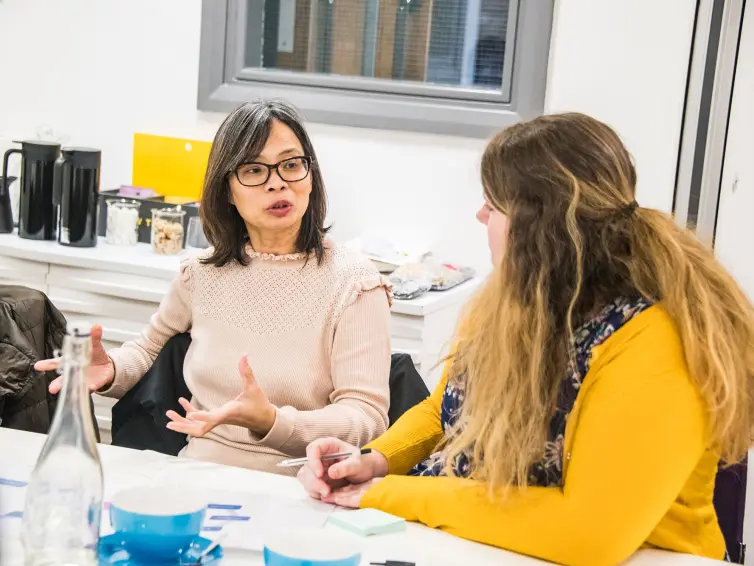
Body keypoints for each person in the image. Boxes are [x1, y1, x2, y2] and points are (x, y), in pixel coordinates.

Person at [297, 113, 754, 564]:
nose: (480, 215)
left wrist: (390, 493)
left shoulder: (655, 341)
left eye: (493, 205)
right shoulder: (513, 300)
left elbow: (588, 534)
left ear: (541, 226)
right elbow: (449, 411)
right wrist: (374, 460)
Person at [35, 100, 392, 473]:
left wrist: (272, 422)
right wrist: (109, 369)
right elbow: (146, 352)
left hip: (305, 482)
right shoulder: (201, 273)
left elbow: (367, 418)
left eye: (291, 164)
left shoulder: (355, 282)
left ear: (310, 175)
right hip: (197, 474)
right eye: (254, 169)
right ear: (226, 190)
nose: (277, 182)